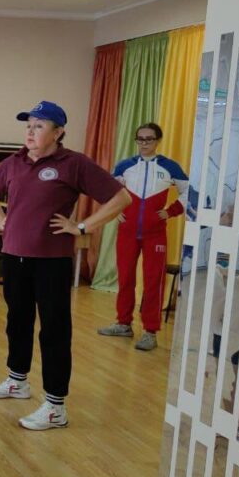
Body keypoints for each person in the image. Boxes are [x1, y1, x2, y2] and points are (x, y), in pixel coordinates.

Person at [0, 101, 131, 431]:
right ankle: (17, 380)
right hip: (14, 256)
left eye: (38, 126)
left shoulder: (73, 163)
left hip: (52, 262)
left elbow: (121, 198)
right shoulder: (14, 162)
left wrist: (83, 227)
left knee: (54, 330)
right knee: (17, 321)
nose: (30, 132)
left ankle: (55, 406)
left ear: (58, 132)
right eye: (28, 125)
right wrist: (1, 220)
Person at [98, 123, 189, 351]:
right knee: (125, 278)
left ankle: (150, 331)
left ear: (158, 140)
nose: (144, 143)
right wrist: (115, 211)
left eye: (149, 139)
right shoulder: (125, 166)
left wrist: (171, 211)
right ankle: (123, 323)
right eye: (140, 139)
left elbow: (190, 192)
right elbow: (106, 189)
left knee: (153, 281)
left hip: (155, 234)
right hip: (127, 233)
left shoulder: (170, 167)